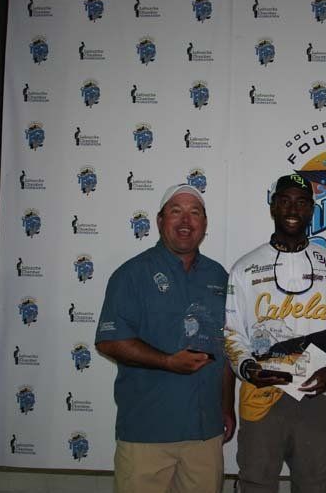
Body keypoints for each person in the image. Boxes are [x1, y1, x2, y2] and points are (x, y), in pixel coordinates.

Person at [224, 174, 326, 493]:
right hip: (261, 397)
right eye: (284, 200)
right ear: (272, 207)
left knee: (314, 483)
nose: (292, 208)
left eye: (301, 202)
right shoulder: (244, 268)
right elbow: (232, 334)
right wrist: (247, 368)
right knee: (256, 483)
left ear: (312, 210)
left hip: (314, 396)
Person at [96, 183, 235, 493]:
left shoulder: (219, 277)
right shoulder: (131, 274)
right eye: (176, 211)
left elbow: (225, 349)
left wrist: (227, 407)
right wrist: (167, 362)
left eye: (194, 213)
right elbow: (109, 341)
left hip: (204, 435)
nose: (186, 221)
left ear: (204, 224)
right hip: (147, 434)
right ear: (159, 221)